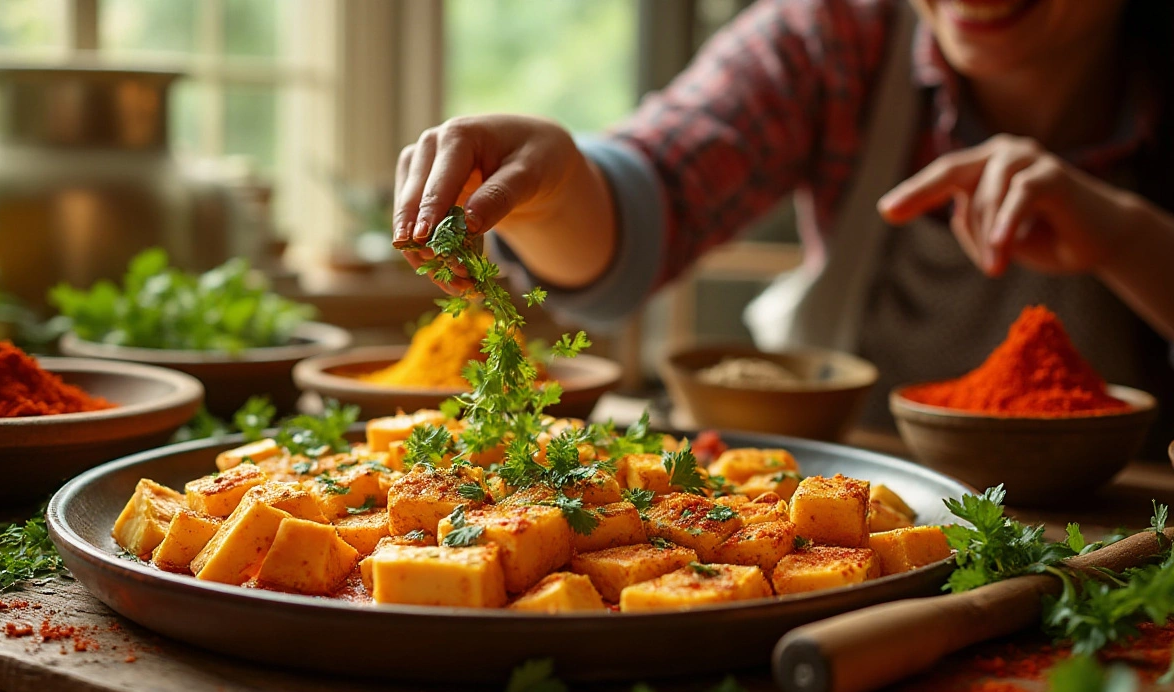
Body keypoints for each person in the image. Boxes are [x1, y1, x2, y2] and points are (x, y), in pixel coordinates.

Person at [391, 0, 1174, 437]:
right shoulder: (834, 35)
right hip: (853, 534)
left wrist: (1129, 239)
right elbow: (649, 198)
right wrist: (559, 188)